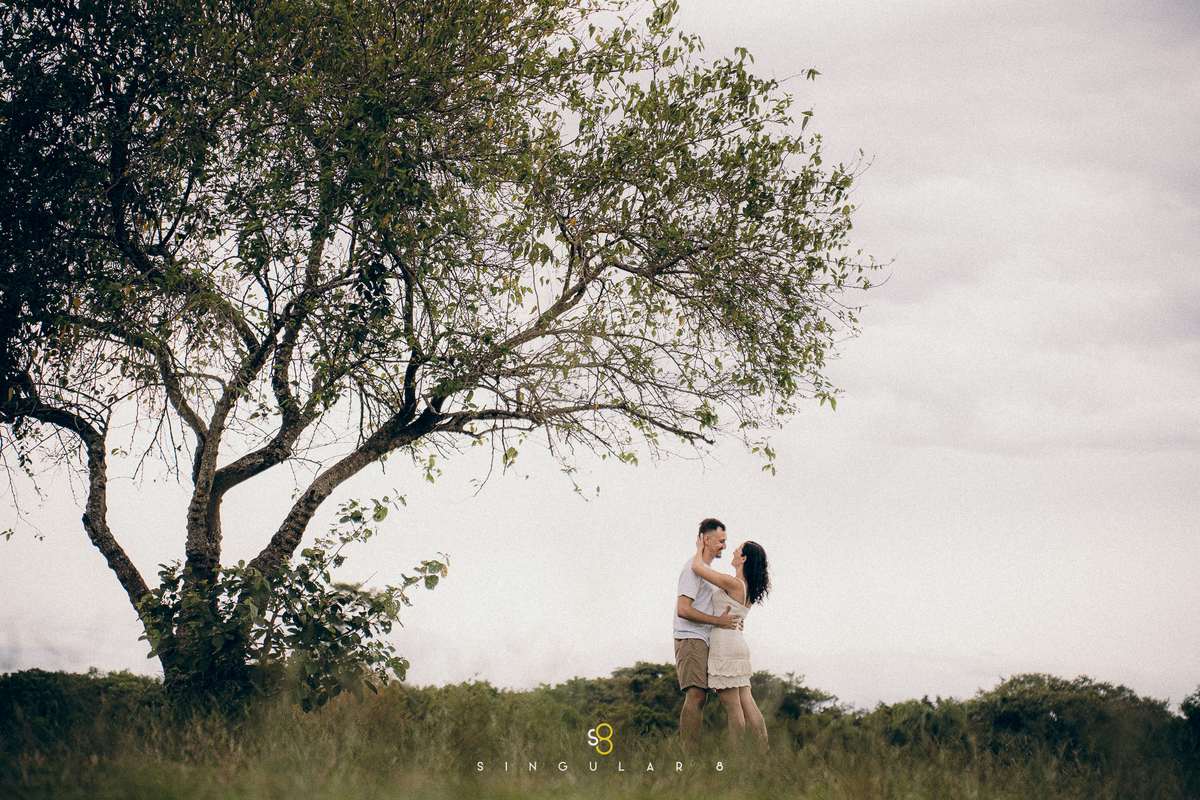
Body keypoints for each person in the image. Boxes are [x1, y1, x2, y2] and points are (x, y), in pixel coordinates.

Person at [690, 534, 771, 747]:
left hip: (725, 646)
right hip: (737, 643)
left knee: (734, 708)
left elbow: (698, 568)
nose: (733, 551)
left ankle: (738, 759)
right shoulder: (749, 588)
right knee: (747, 703)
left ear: (743, 558)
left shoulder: (733, 583)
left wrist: (700, 547)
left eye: (737, 549)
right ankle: (765, 752)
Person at [674, 518, 740, 750]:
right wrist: (718, 621)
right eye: (721, 541)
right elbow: (683, 609)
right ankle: (689, 757)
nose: (723, 545)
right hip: (691, 637)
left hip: (703, 639)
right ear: (706, 539)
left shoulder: (705, 570)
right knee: (696, 695)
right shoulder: (692, 570)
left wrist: (730, 621)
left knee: (701, 696)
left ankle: (692, 754)